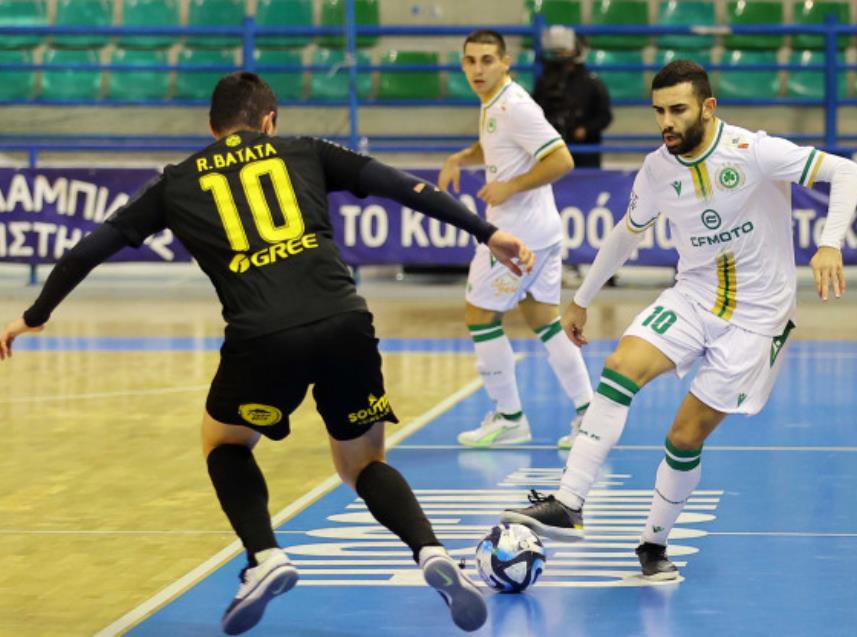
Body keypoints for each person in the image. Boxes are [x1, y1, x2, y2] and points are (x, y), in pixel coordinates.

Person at [0, 72, 536, 635]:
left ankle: (266, 556)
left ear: (212, 128)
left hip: (262, 337)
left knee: (224, 441)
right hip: (344, 322)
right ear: (270, 121)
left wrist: (33, 316)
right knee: (363, 464)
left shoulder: (176, 181)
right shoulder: (305, 150)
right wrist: (485, 232)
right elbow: (405, 187)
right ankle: (431, 552)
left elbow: (90, 249)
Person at [502, 60, 857, 580]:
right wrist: (580, 298)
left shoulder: (754, 151)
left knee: (683, 437)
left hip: (758, 320)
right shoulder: (657, 169)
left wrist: (830, 243)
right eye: (659, 112)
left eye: (678, 110)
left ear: (708, 108)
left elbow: (846, 172)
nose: (666, 121)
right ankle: (569, 500)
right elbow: (627, 233)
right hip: (694, 296)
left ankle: (653, 544)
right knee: (621, 365)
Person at [438, 29, 594, 449]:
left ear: (506, 62)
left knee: (479, 315)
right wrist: (461, 157)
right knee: (544, 321)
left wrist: (511, 187)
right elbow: (494, 143)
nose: (478, 69)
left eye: (487, 60)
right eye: (470, 60)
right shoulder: (495, 104)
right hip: (540, 233)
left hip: (516, 236)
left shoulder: (514, 106)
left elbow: (561, 158)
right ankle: (588, 414)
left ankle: (509, 419)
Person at [532, 25, 613, 169]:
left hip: (584, 152)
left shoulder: (592, 83)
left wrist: (585, 129)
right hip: (553, 150)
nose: (560, 56)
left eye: (564, 51)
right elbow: (535, 110)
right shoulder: (545, 81)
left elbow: (604, 116)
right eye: (557, 52)